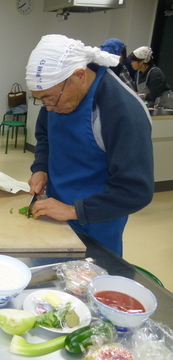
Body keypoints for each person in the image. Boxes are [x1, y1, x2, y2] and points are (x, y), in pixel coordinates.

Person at [25, 34, 154, 256]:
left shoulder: (123, 112)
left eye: (50, 99)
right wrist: (41, 168)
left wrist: (74, 210)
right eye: (42, 100)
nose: (47, 108)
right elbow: (45, 136)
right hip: (54, 205)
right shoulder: (56, 97)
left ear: (79, 75)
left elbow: (136, 190)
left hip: (97, 220)